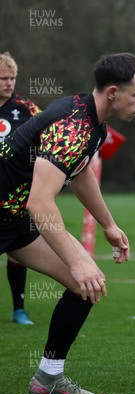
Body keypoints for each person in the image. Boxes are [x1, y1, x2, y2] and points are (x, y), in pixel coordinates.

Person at [0, 53, 135, 394]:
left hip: (14, 220)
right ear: (113, 92)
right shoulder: (73, 125)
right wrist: (76, 259)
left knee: (87, 286)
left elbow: (80, 172)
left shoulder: (91, 120)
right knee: (83, 272)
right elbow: (40, 203)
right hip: (17, 212)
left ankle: (49, 377)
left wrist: (108, 225)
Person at [0, 52, 42, 325]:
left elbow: (49, 137)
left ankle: (19, 309)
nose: (8, 83)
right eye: (3, 78)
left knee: (19, 254)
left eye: (12, 78)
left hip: (18, 198)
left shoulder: (27, 109)